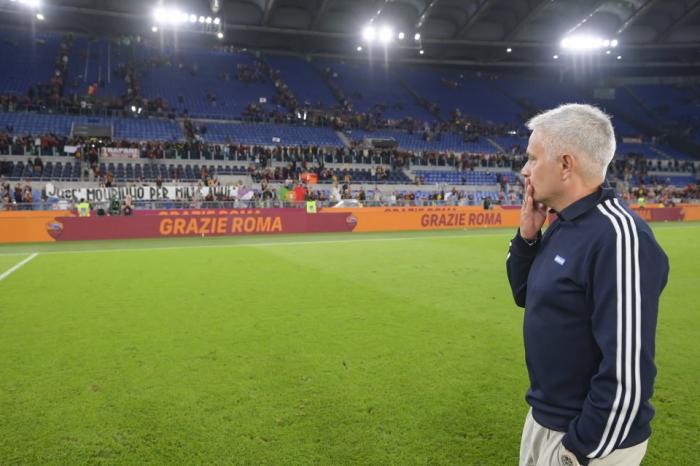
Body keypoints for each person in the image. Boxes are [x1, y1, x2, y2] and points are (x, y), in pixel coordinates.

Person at [506, 104, 669, 466]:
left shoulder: (618, 236)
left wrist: (579, 449)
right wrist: (527, 238)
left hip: (589, 439)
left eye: (532, 158)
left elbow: (628, 371)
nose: (525, 170)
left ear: (566, 164)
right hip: (544, 419)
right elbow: (525, 295)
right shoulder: (563, 223)